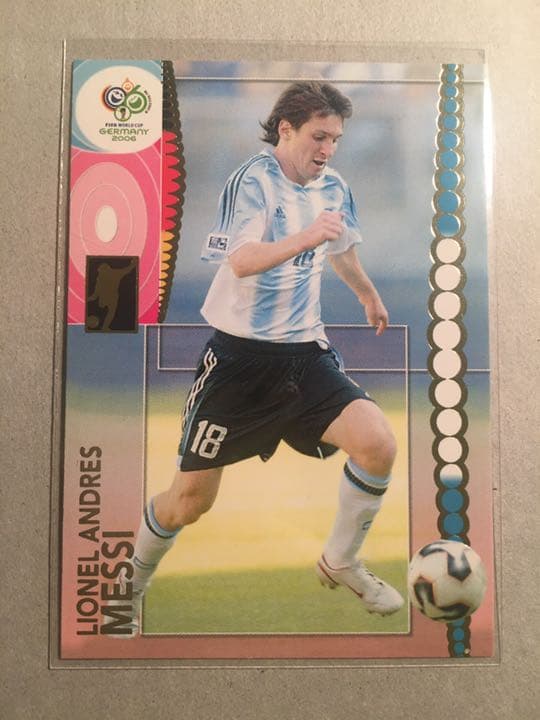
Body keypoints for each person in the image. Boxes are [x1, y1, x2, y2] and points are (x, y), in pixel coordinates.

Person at [123, 81, 404, 634]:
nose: (328, 149)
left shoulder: (334, 186)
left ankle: (341, 560)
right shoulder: (252, 180)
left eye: (336, 139)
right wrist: (307, 237)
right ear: (286, 129)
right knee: (188, 503)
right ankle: (129, 583)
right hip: (238, 364)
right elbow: (243, 260)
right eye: (319, 136)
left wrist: (367, 294)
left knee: (378, 445)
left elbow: (341, 249)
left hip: (304, 356)